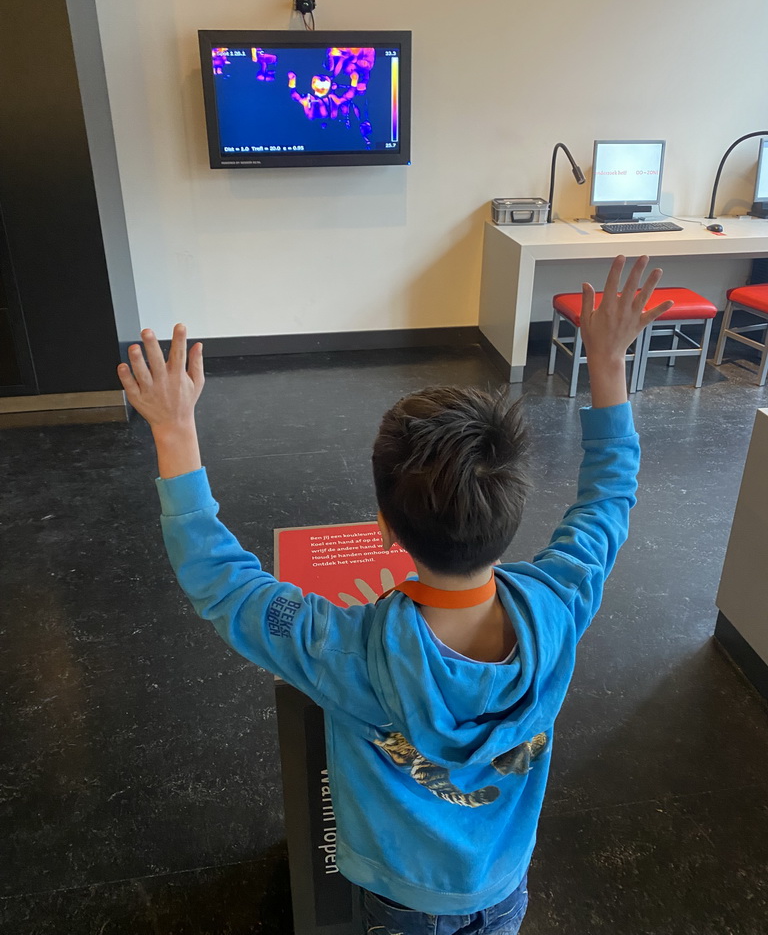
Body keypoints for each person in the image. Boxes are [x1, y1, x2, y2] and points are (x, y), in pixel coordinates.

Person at [117, 255, 673, 935]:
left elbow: (222, 582)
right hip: (504, 885)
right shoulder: (560, 604)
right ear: (513, 511)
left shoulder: (345, 651)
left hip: (401, 902)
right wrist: (608, 366)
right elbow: (607, 502)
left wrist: (175, 433)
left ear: (381, 527)